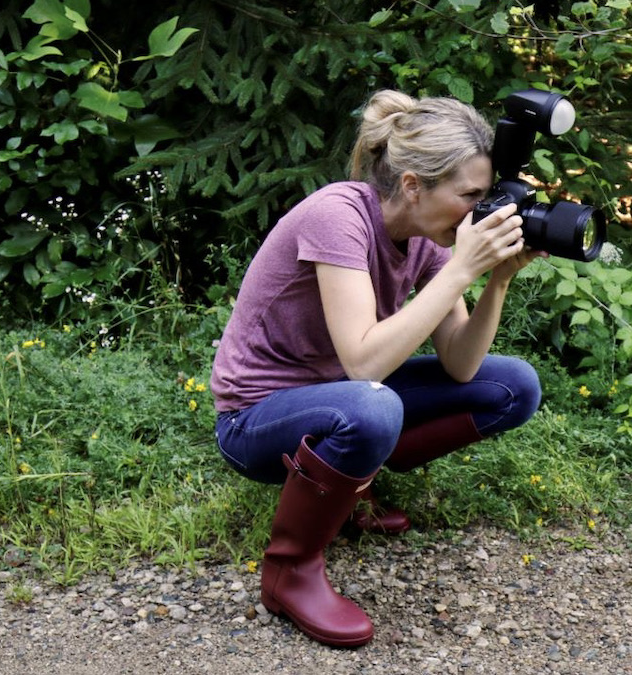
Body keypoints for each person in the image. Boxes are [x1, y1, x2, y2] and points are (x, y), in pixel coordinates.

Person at [210, 90, 543, 648]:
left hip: (341, 396)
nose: (484, 213)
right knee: (372, 402)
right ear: (413, 185)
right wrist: (460, 270)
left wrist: (498, 278)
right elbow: (363, 361)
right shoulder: (336, 216)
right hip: (255, 419)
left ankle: (346, 493)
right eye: (472, 196)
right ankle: (289, 572)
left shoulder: (430, 238)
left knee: (511, 386)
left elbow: (462, 366)